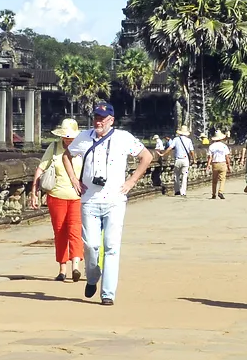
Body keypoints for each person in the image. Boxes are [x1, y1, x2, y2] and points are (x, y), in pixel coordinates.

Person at [62, 102, 153, 305]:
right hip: (89, 200)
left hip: (115, 200)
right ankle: (93, 277)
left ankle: (108, 294)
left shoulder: (123, 138)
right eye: (96, 117)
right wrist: (74, 180)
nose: (98, 121)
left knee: (111, 246)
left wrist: (132, 180)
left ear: (111, 120)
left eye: (102, 118)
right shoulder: (84, 137)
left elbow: (146, 156)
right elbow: (66, 156)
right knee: (91, 245)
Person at [30, 118, 84, 283]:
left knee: (75, 230)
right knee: (60, 232)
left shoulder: (82, 149)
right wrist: (34, 192)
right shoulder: (54, 148)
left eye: (70, 137)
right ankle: (62, 269)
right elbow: (41, 168)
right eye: (65, 137)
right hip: (56, 195)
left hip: (77, 197)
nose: (67, 140)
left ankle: (76, 266)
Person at [162, 126, 195, 196]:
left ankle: (177, 190)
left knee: (176, 175)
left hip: (178, 160)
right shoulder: (189, 140)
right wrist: (193, 159)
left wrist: (163, 154)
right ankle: (183, 192)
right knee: (184, 176)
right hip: (185, 160)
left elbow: (170, 148)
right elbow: (192, 151)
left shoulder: (176, 139)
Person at [208, 131, 231, 200]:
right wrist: (229, 165)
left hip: (215, 164)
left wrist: (208, 165)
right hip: (222, 163)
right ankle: (220, 191)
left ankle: (213, 194)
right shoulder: (224, 146)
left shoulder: (211, 146)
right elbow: (227, 157)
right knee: (222, 179)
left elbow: (210, 157)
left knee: (214, 180)